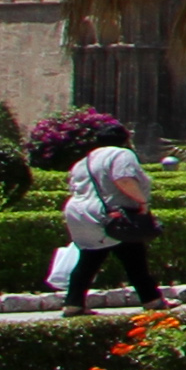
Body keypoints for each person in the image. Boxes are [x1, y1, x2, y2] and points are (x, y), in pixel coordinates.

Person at [57, 132, 163, 316]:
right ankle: (152, 301)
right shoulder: (121, 154)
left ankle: (73, 303)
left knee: (89, 257)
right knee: (133, 257)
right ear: (125, 140)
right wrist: (142, 202)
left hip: (79, 213)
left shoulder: (83, 161)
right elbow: (123, 178)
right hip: (110, 214)